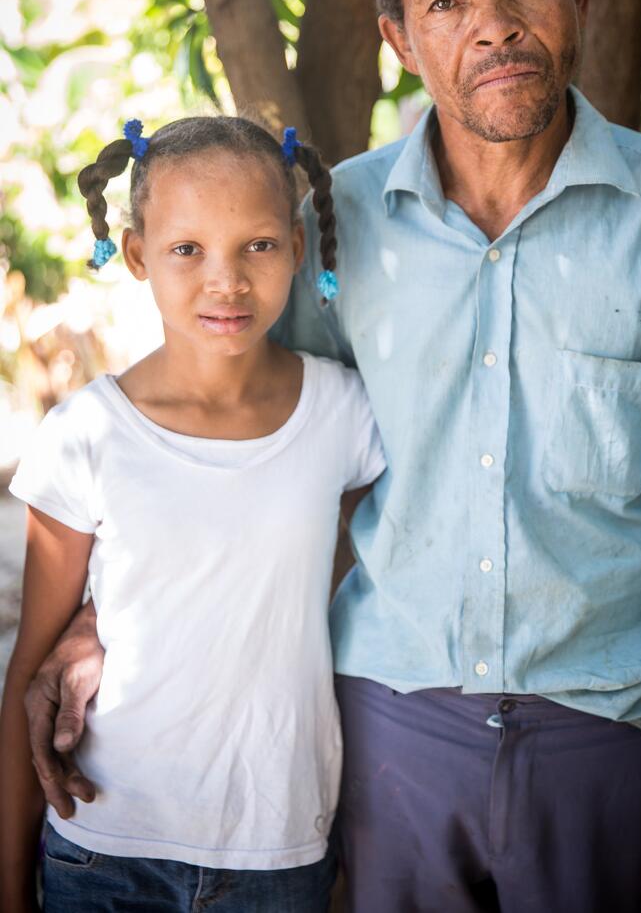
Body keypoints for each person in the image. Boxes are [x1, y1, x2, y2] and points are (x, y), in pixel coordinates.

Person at [24, 0, 641, 913]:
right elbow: (253, 449)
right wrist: (103, 622)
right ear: (401, 43)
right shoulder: (334, 228)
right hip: (381, 733)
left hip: (612, 734)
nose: (494, 23)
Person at [0, 116, 386, 912]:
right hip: (104, 848)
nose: (227, 281)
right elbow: (26, 676)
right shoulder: (87, 435)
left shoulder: (344, 414)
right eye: (187, 249)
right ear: (137, 254)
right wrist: (9, 885)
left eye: (258, 245)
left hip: (278, 847)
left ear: (297, 247)